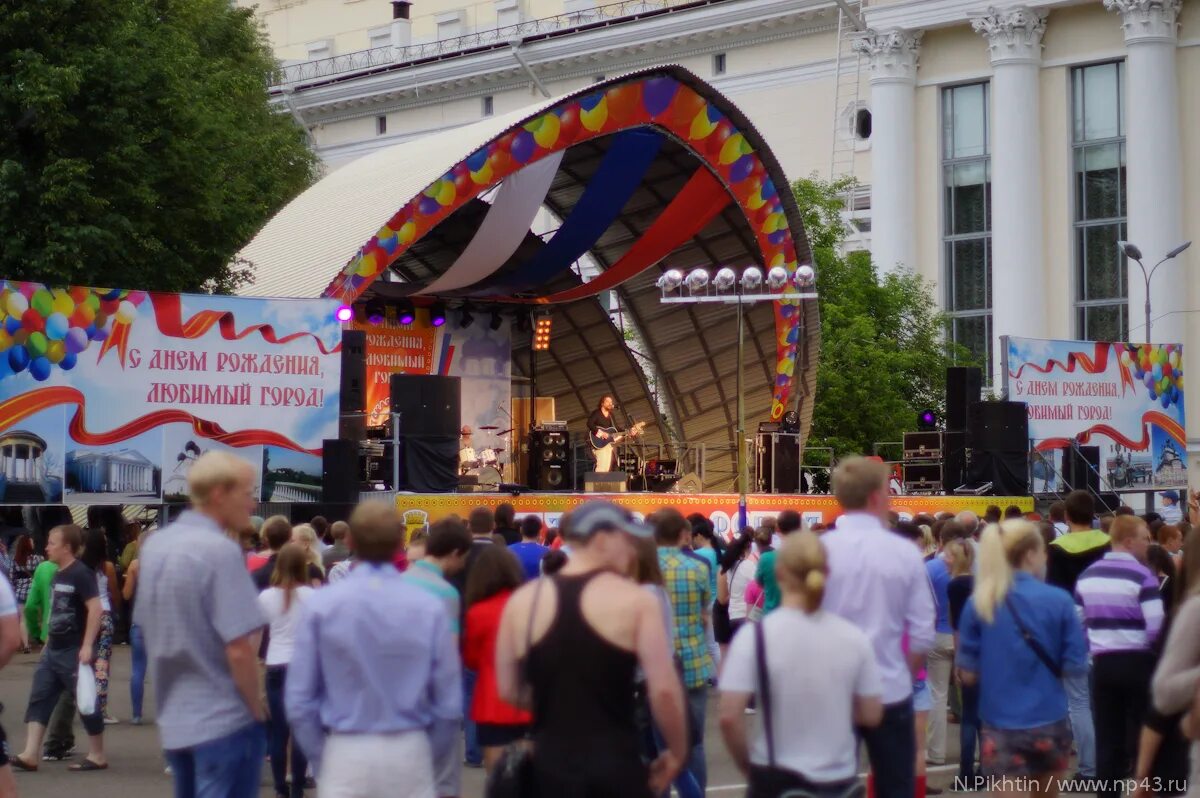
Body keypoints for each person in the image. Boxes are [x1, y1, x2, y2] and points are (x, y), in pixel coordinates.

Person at [496, 502, 687, 796]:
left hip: (549, 765)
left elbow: (508, 689)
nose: (633, 550)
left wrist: (558, 706)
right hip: (615, 763)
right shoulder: (636, 601)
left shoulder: (524, 601)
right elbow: (662, 689)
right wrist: (676, 750)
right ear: (601, 540)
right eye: (627, 540)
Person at [286, 501, 462, 795]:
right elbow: (448, 703)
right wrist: (429, 756)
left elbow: (300, 701)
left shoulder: (322, 606)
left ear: (351, 540)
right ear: (399, 541)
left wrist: (323, 759)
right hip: (409, 747)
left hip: (346, 749)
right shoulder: (427, 607)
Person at [135, 452, 268, 797]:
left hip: (176, 717)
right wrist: (255, 709)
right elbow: (239, 649)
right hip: (224, 717)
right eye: (247, 493)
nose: (253, 504)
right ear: (219, 494)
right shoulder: (220, 551)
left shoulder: (156, 546)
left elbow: (147, 625)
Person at [719, 531, 883, 797]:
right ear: (827, 574)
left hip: (774, 775)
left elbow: (728, 716)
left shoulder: (755, 638)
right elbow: (870, 714)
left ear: (780, 574)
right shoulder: (853, 637)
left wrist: (749, 768)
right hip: (837, 778)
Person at [820, 457, 936, 798]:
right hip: (891, 688)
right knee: (894, 786)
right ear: (875, 495)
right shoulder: (904, 553)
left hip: (835, 689)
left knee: (829, 786)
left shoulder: (820, 552)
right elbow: (922, 631)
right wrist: (903, 671)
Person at [956, 520, 1088, 795]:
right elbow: (1075, 665)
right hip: (1049, 719)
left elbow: (967, 674)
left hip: (1000, 723)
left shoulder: (979, 602)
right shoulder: (1059, 600)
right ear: (1030, 554)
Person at [1074, 514, 1162, 798]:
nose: (1147, 544)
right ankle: (1143, 788)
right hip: (1137, 660)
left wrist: (1094, 645)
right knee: (1142, 733)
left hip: (1103, 663)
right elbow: (1156, 625)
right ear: (1128, 541)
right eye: (1144, 538)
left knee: (1107, 736)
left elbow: (1079, 621)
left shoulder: (1088, 576)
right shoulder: (1143, 576)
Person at [12, 524, 107, 773]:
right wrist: (47, 643)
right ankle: (31, 754)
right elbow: (53, 611)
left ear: (67, 547)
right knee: (39, 697)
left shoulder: (81, 573)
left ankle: (97, 754)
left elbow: (96, 609)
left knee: (85, 701)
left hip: (74, 650)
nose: (47, 547)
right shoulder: (57, 574)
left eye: (52, 543)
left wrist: (87, 646)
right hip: (53, 649)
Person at [1045, 489, 1107, 780]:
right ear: (1092, 512)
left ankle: (1088, 768)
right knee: (1102, 703)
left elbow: (1054, 595)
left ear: (1067, 516)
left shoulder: (1057, 549)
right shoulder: (1108, 545)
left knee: (1077, 701)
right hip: (1107, 623)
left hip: (1072, 627)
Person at [656, 508, 712, 791]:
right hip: (693, 663)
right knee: (696, 743)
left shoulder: (641, 568)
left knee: (657, 747)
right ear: (682, 534)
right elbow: (705, 613)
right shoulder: (700, 567)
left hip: (656, 670)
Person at [462, 545, 530, 772]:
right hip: (530, 699)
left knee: (497, 779)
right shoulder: (530, 605)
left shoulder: (477, 612)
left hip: (492, 703)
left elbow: (471, 660)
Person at [258, 544, 315, 798]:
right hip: (304, 667)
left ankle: (280, 787)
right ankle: (297, 788)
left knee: (279, 730)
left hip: (276, 665)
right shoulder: (313, 597)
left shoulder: (267, 597)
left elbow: (257, 635)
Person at [448, 505, 497, 769]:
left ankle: (473, 751)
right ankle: (491, 745)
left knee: (468, 690)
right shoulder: (501, 555)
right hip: (494, 630)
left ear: (470, 527)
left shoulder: (460, 558)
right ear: (493, 526)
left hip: (465, 628)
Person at [942, 538, 979, 786]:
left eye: (949, 556)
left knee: (969, 716)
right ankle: (985, 769)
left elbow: (957, 627)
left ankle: (966, 773)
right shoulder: (981, 583)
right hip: (988, 651)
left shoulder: (955, 586)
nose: (945, 559)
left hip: (968, 651)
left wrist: (958, 659)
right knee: (982, 718)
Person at [80, 528, 120, 725]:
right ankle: (100, 710)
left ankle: (81, 704)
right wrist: (117, 610)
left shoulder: (80, 567)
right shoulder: (107, 567)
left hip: (86, 617)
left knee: (83, 663)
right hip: (104, 615)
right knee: (102, 665)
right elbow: (114, 592)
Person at [121, 529, 149, 726]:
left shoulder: (135, 566)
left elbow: (126, 594)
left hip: (139, 622)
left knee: (138, 669)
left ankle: (137, 714)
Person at [253, 516, 323, 590]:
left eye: (292, 541)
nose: (289, 544)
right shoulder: (296, 571)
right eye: (290, 541)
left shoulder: (311, 571)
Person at [754, 510, 803, 615]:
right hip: (797, 616)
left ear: (778, 528)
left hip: (771, 614)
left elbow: (759, 582)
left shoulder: (766, 558)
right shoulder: (807, 556)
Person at [9, 534, 42, 653]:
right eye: (31, 542)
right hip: (34, 592)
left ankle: (26, 645)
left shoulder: (15, 560)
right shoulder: (38, 559)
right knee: (39, 617)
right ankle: (41, 640)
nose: (33, 544)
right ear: (28, 544)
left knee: (22, 619)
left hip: (20, 593)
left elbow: (12, 578)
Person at [509, 515, 549, 581]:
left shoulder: (508, 551)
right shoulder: (548, 553)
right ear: (539, 532)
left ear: (521, 530)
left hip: (515, 590)